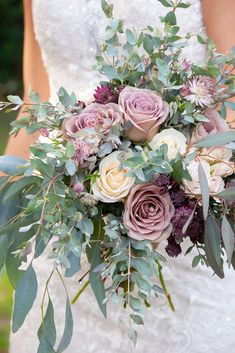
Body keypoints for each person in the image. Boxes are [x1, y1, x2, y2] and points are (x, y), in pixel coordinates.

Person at [7, 1, 235, 352]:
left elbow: (230, 96)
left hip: (182, 235)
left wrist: (170, 176)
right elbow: (35, 100)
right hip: (64, 238)